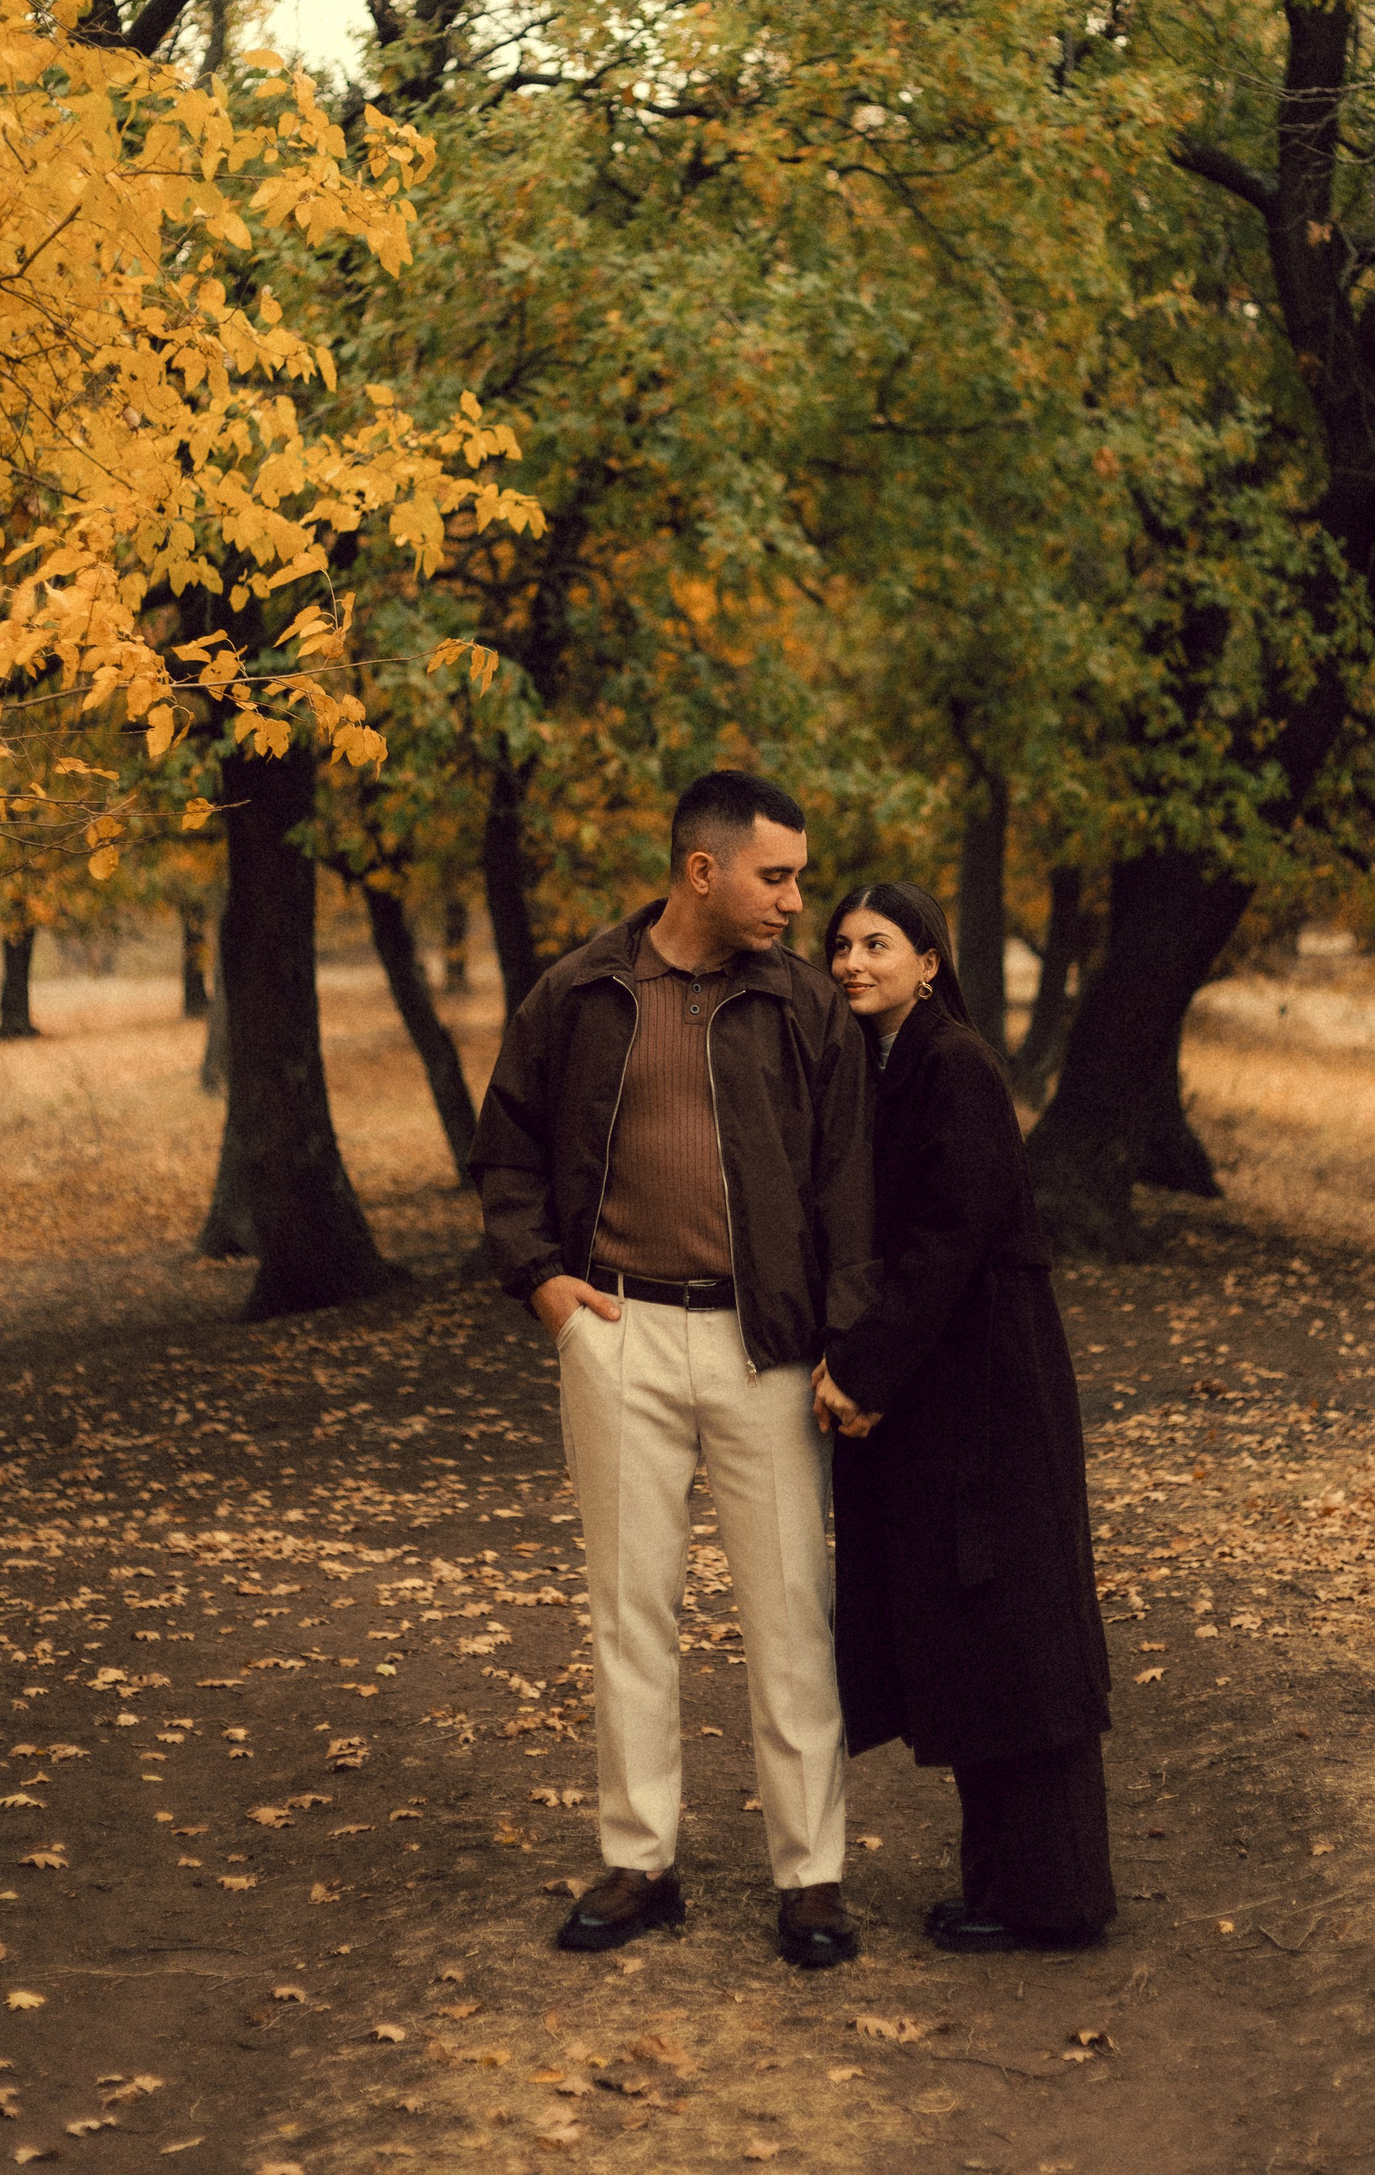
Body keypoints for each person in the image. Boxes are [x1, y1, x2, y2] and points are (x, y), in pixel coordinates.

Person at [473, 770, 877, 1969]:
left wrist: (844, 1343)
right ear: (703, 871)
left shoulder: (806, 1008)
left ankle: (810, 1877)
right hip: (618, 1332)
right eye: (776, 877)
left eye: (798, 878)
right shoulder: (581, 992)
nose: (796, 902)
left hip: (767, 1348)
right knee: (630, 1611)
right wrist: (545, 1285)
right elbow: (507, 1146)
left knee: (791, 1615)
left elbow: (849, 1186)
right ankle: (639, 1861)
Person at [815, 881, 1116, 1953]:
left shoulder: (954, 1066)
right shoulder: (886, 1063)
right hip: (947, 1387)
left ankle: (1054, 1899)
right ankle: (1002, 1884)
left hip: (992, 1389)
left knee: (1018, 1637)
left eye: (878, 944)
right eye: (841, 946)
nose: (853, 962)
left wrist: (863, 1371)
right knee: (976, 1638)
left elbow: (950, 1238)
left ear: (930, 962)